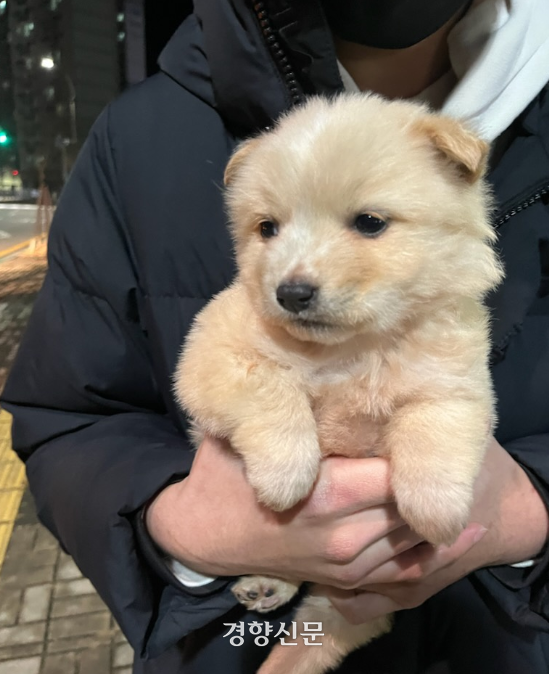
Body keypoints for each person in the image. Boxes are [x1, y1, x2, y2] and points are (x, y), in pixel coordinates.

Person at [2, 1, 549, 672]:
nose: (295, 277)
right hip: (233, 637)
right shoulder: (137, 139)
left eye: (369, 222)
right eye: (267, 229)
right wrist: (179, 528)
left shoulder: (445, 197)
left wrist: (529, 512)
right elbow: (65, 416)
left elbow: (449, 399)